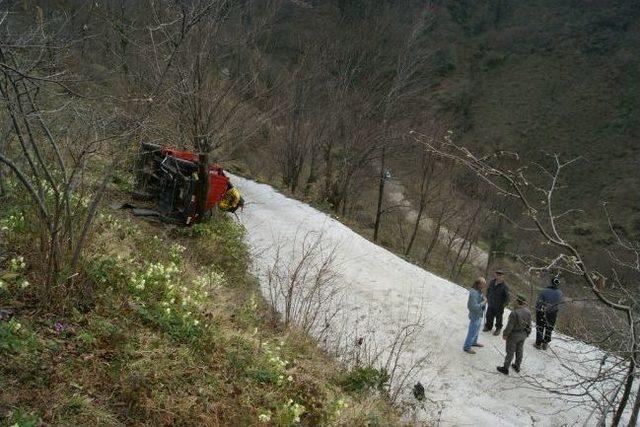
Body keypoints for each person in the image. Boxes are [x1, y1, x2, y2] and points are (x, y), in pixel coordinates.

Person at [497, 294, 532, 375]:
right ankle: (517, 365)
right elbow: (529, 324)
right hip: (523, 334)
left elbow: (510, 326)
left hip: (514, 335)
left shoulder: (514, 312)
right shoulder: (528, 312)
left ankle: (505, 368)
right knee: (520, 350)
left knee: (510, 351)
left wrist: (505, 334)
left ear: (517, 302)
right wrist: (528, 333)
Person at [535, 276, 564, 350]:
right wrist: (555, 310)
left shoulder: (544, 291)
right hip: (552, 314)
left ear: (551, 282)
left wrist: (537, 309)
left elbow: (539, 302)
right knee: (549, 328)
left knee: (540, 327)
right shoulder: (560, 293)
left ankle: (538, 343)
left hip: (542, 311)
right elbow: (561, 305)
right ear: (557, 284)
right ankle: (545, 343)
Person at [463, 277, 487, 354]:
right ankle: (467, 347)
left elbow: (480, 300)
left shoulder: (479, 291)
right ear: (479, 284)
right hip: (475, 315)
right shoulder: (473, 293)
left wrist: (483, 297)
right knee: (472, 332)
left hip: (479, 314)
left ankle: (474, 342)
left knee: (476, 330)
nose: (484, 286)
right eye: (483, 284)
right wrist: (484, 302)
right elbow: (473, 306)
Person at [484, 268, 510, 336]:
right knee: (489, 315)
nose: (498, 276)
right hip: (491, 303)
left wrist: (503, 305)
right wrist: (487, 297)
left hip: (499, 306)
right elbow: (489, 290)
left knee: (498, 318)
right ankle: (488, 326)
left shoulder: (505, 286)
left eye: (500, 275)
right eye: (497, 274)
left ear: (502, 276)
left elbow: (507, 297)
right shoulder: (492, 282)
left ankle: (498, 328)